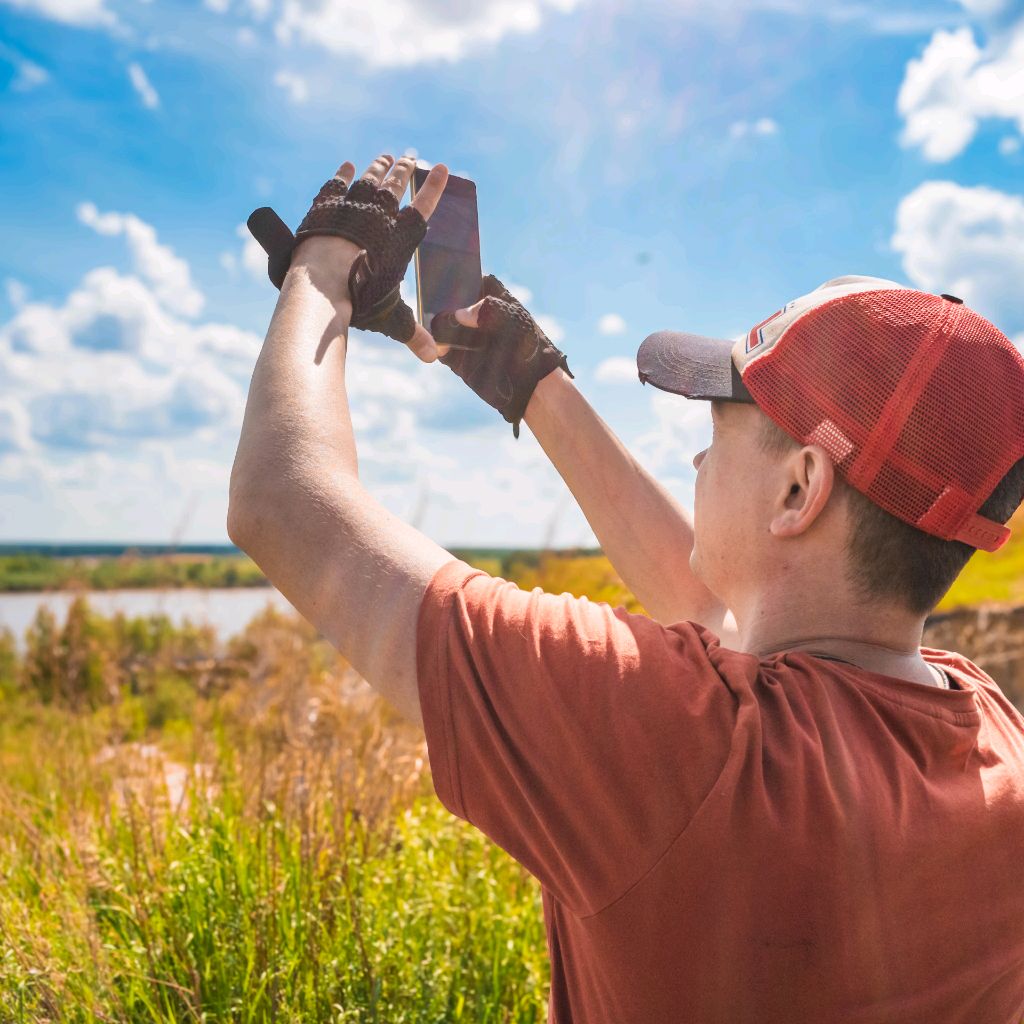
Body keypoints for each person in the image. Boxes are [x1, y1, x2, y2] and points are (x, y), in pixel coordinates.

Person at [228, 153, 1024, 1023]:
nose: (697, 455)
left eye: (722, 421)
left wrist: (324, 265)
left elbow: (283, 504)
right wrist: (525, 377)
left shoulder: (678, 742)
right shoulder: (991, 739)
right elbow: (722, 611)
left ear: (799, 489)